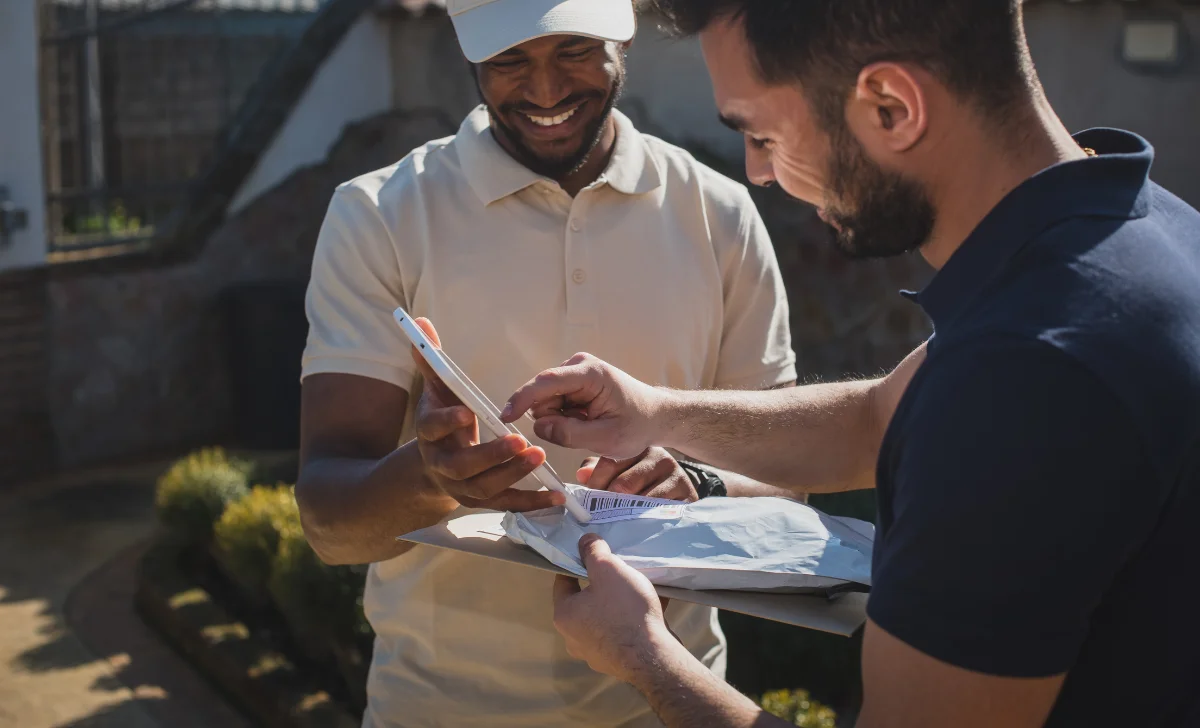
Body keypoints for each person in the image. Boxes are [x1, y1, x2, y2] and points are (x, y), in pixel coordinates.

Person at [499, 1, 1200, 727]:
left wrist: (643, 655)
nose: (758, 173)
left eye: (763, 135)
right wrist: (654, 412)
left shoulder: (1027, 375)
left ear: (891, 106)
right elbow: (877, 419)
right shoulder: (1135, 230)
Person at [294, 0, 800, 725]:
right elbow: (328, 524)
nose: (545, 90)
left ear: (623, 37)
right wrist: (432, 477)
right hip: (438, 710)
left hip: (670, 702)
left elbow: (790, 496)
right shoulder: (379, 216)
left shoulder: (719, 216)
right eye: (508, 60)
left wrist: (704, 484)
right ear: (469, 58)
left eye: (573, 48)